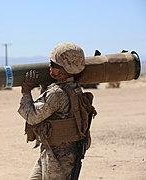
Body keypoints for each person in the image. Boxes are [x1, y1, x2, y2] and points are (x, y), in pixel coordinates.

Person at [18, 42, 97, 180]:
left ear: (65, 70)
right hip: (58, 152)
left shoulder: (57, 93)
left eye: (54, 65)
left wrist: (26, 92)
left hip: (58, 159)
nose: (50, 66)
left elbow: (31, 116)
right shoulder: (74, 88)